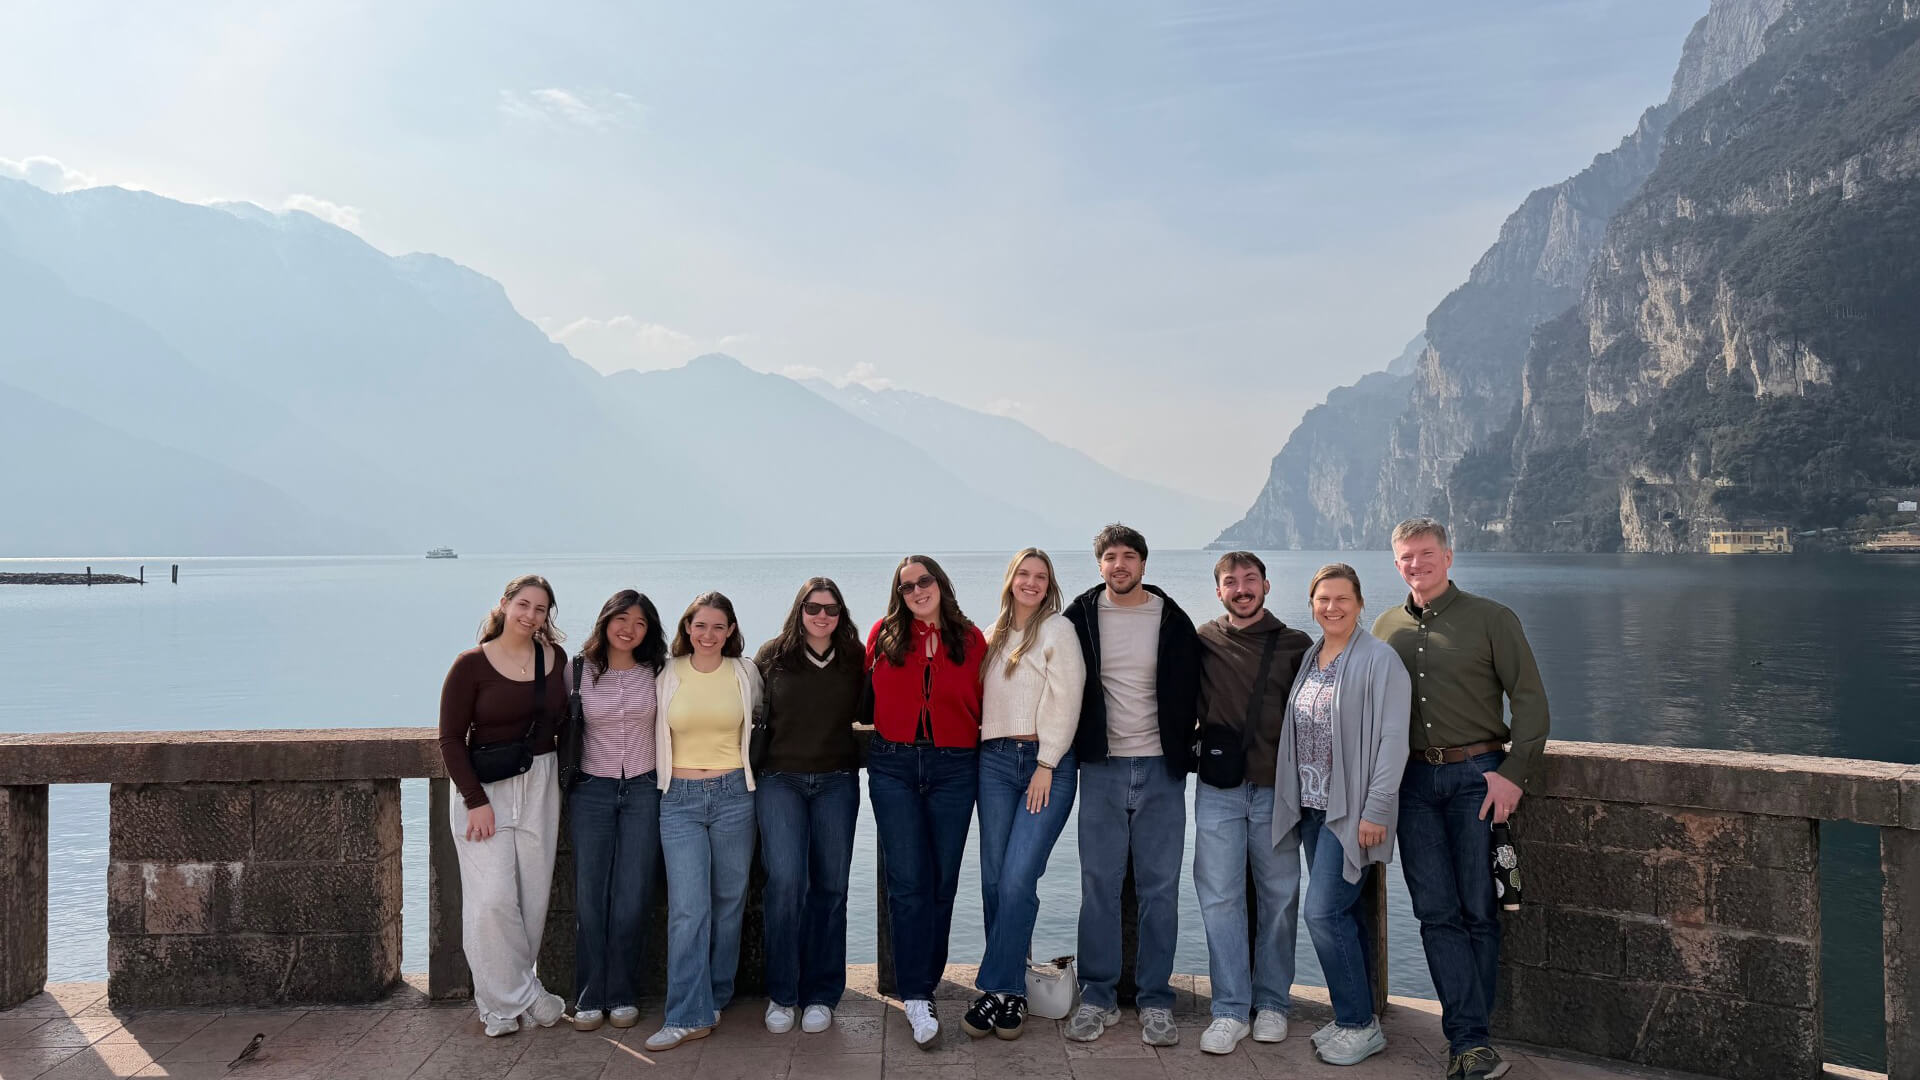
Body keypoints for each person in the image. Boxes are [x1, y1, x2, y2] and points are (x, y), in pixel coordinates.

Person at [1373, 518, 1550, 1080]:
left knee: (1478, 911)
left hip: (1478, 777)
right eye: (1405, 557)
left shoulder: (1493, 619)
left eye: (1426, 553)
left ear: (1449, 557)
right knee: (1434, 913)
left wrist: (1512, 774)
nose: (1416, 564)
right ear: (1395, 563)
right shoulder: (1382, 627)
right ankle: (1470, 1042)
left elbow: (1531, 706)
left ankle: (1470, 1043)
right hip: (1412, 786)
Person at [1061, 524, 1201, 1048]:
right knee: (1098, 886)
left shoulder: (1172, 619)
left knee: (1160, 890)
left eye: (1129, 557)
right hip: (1100, 769)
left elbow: (1200, 686)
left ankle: (1155, 1000)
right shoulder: (1077, 618)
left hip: (1162, 771)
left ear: (1143, 564)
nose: (1119, 565)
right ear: (1099, 565)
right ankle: (1097, 996)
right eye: (1110, 557)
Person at [1273, 563, 1410, 1066]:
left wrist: (1376, 809)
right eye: (1322, 599)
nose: (1331, 608)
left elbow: (1394, 742)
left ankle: (1358, 1023)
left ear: (1360, 603)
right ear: (1312, 604)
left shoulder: (1380, 659)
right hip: (1312, 807)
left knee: (1323, 913)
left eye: (1341, 599)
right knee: (1344, 913)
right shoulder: (1313, 655)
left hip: (1351, 812)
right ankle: (1356, 1014)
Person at [437, 574, 570, 1038]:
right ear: (505, 604)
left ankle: (506, 1004)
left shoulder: (554, 659)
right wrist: (474, 800)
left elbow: (564, 724)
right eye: (524, 604)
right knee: (491, 901)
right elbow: (451, 738)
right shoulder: (470, 665)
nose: (531, 615)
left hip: (541, 782)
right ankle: (521, 999)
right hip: (485, 789)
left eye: (540, 609)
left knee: (531, 900)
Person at [1191, 551, 1312, 1055]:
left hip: (1277, 792)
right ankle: (1230, 1009)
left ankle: (1274, 1005)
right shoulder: (1202, 640)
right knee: (1219, 898)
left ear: (1265, 585)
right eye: (1230, 582)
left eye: (1249, 580)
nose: (1241, 589)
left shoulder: (1296, 645)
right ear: (1218, 591)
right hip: (1218, 790)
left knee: (1280, 899)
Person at [963, 548, 1086, 1041]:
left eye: (1041, 576)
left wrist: (1047, 762)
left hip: (1044, 766)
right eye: (1023, 574)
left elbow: (1067, 698)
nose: (1031, 583)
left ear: (1049, 584)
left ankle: (994, 985)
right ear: (1010, 579)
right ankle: (1010, 994)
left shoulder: (1058, 630)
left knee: (1017, 880)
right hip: (992, 763)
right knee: (993, 881)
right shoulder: (991, 637)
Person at [866, 555, 988, 1049]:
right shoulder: (882, 635)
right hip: (892, 765)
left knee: (942, 881)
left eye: (924, 581)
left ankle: (926, 983)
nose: (917, 590)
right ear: (899, 594)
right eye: (907, 586)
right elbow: (861, 695)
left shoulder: (972, 638)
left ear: (940, 583)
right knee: (907, 881)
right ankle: (915, 994)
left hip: (956, 767)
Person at [645, 592, 765, 1052]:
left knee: (729, 902)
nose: (708, 634)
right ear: (687, 627)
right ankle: (683, 1014)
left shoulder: (745, 672)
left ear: (730, 630)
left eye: (718, 626)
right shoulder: (666, 673)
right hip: (679, 799)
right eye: (700, 626)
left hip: (736, 795)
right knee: (688, 908)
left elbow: (761, 722)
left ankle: (715, 995)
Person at [753, 577, 865, 1036]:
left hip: (838, 781)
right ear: (799, 610)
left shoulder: (857, 657)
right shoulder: (771, 657)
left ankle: (822, 993)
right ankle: (783, 993)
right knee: (784, 884)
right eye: (814, 608)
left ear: (841, 615)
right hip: (780, 781)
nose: (823, 617)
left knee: (831, 887)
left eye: (832, 609)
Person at [563, 590, 667, 1033]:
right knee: (590, 897)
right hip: (591, 791)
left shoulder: (658, 671)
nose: (629, 629)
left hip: (644, 789)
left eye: (640, 622)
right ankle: (589, 995)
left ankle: (623, 991)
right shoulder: (578, 670)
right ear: (605, 619)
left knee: (632, 895)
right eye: (622, 618)